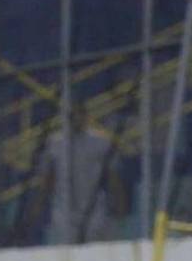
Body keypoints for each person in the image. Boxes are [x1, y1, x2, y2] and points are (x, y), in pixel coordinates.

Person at [31, 103, 127, 245]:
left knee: (92, 247)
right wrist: (37, 206)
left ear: (86, 117)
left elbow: (112, 175)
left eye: (79, 115)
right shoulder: (55, 143)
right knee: (67, 249)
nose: (76, 119)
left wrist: (120, 201)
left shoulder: (100, 142)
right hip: (64, 209)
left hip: (94, 207)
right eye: (72, 116)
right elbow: (47, 179)